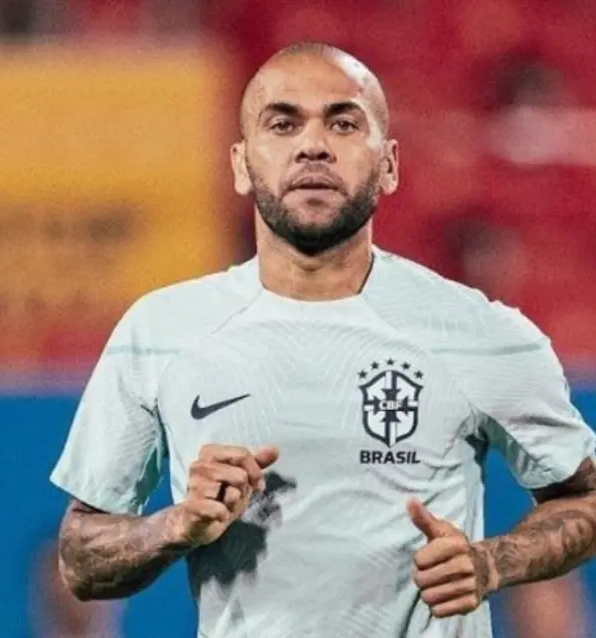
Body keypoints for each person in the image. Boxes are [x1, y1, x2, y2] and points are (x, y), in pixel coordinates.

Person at [50, 42, 596, 638]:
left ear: (389, 164)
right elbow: (79, 556)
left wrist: (494, 563)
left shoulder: (481, 332)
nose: (313, 144)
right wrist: (176, 526)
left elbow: (585, 497)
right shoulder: (159, 331)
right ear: (240, 164)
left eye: (343, 123)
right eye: (283, 124)